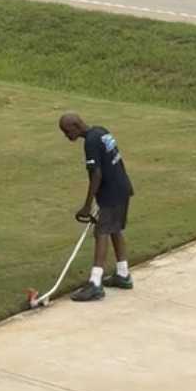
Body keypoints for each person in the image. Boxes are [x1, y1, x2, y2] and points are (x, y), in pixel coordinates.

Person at [58, 113, 134, 302]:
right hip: (122, 187)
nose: (67, 136)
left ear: (76, 126)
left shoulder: (90, 142)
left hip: (111, 193)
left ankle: (95, 283)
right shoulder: (101, 131)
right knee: (114, 229)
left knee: (101, 232)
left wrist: (87, 205)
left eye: (67, 132)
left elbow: (96, 175)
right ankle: (123, 275)